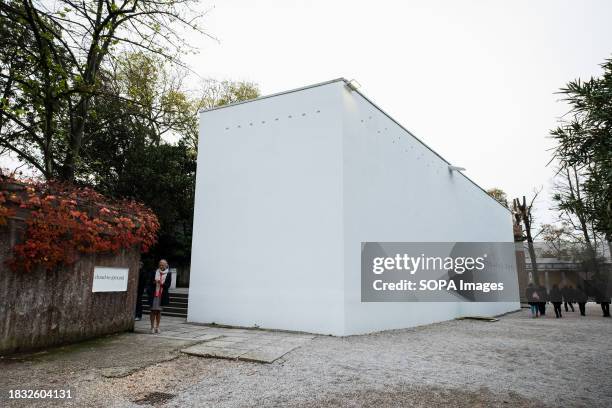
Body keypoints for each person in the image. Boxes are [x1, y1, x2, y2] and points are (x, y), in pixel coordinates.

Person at [149, 259, 172, 333]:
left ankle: (157, 327)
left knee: (159, 311)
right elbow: (149, 283)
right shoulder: (154, 272)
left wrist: (161, 283)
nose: (161, 266)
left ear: (166, 265)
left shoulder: (168, 273)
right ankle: (152, 327)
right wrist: (154, 282)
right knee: (153, 311)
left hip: (162, 295)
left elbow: (168, 286)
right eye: (160, 264)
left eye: (163, 265)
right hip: (154, 294)